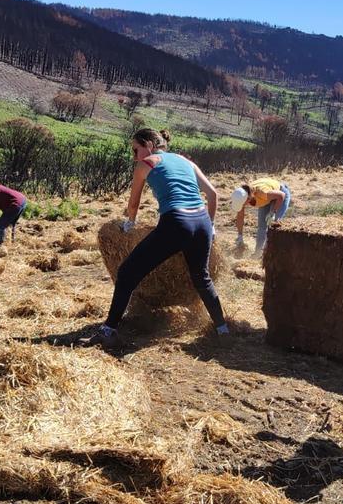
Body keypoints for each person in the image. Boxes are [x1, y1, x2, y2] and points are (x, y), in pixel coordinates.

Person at [88, 129, 228, 348]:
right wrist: (210, 227)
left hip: (176, 222)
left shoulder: (146, 164)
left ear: (149, 144)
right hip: (200, 221)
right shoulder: (184, 160)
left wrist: (130, 224)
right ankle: (223, 330)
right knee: (201, 277)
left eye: (136, 150)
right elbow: (213, 194)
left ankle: (108, 331)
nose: (135, 156)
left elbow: (133, 204)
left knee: (126, 273)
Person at [231, 177, 291, 256]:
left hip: (280, 194)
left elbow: (281, 196)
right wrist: (240, 236)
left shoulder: (261, 193)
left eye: (243, 204)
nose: (242, 206)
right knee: (262, 227)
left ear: (248, 199)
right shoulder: (242, 196)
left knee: (273, 224)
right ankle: (258, 253)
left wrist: (272, 213)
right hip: (266, 198)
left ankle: (272, 254)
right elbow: (240, 217)